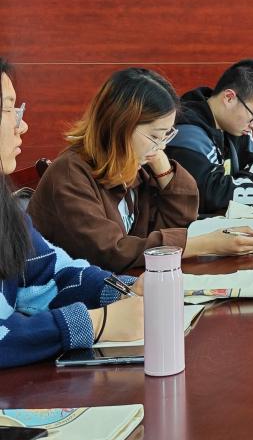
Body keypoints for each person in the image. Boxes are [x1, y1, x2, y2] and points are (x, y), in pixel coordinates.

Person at [29, 68, 253, 273]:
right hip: (73, 297)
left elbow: (177, 221)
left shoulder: (133, 165)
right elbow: (110, 252)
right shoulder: (70, 173)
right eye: (155, 136)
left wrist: (161, 164)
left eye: (166, 135)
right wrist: (205, 244)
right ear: (119, 126)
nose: (161, 146)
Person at [0, 59, 146, 368]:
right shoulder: (71, 171)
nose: (21, 125)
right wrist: (97, 323)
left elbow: (49, 272)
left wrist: (121, 290)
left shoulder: (4, 208)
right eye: (9, 109)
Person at [165, 59, 253, 213]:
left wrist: (238, 185)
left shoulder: (234, 126)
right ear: (229, 98)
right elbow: (209, 195)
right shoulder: (186, 133)